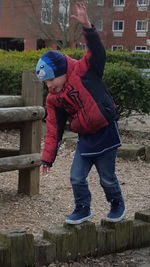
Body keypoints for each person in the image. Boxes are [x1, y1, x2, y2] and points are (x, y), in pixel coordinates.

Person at [36, 2, 125, 224]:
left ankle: (116, 204)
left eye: (50, 80)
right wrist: (48, 157)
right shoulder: (53, 99)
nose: (49, 86)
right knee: (76, 177)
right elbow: (53, 130)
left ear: (61, 72)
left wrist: (88, 27)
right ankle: (83, 208)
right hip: (85, 138)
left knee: (107, 178)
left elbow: (97, 52)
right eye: (45, 82)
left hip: (105, 132)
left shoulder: (84, 70)